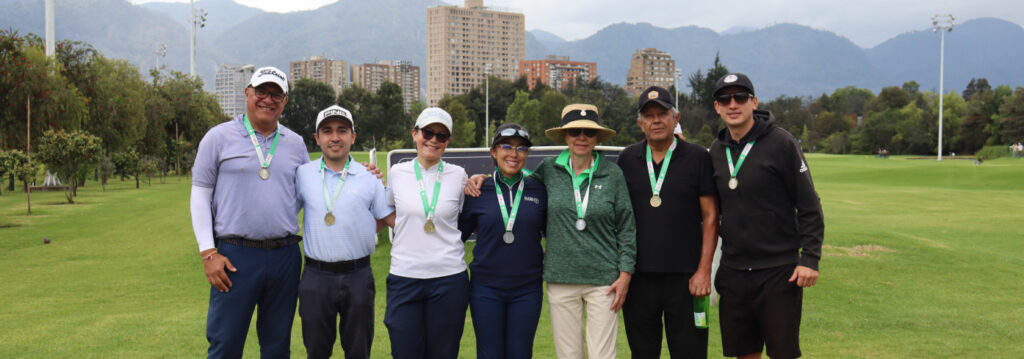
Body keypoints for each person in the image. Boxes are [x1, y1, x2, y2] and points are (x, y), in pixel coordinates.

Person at [190, 66, 309, 358]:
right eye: (261, 92)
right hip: (235, 256)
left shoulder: (295, 143)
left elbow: (315, 189)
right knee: (225, 344)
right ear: (247, 93)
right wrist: (208, 253)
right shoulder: (218, 137)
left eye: (276, 95)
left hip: (285, 256)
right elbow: (200, 195)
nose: (268, 100)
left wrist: (361, 172)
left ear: (285, 101)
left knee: (277, 346)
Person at [707, 73, 825, 359]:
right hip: (734, 271)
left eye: (740, 97)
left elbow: (809, 204)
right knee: (745, 352)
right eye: (725, 99)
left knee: (782, 353)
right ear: (717, 107)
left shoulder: (781, 142)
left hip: (778, 269)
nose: (733, 104)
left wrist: (810, 259)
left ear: (754, 102)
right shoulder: (715, 150)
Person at [619, 86, 719, 358]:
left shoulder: (698, 157)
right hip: (639, 280)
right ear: (640, 123)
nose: (656, 120)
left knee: (691, 353)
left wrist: (704, 270)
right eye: (648, 116)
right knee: (642, 353)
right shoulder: (627, 159)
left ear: (676, 118)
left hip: (687, 280)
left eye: (662, 113)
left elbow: (711, 216)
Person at [537, 104, 636, 359]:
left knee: (602, 355)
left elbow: (627, 226)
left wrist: (625, 273)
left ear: (597, 138)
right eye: (575, 131)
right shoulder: (548, 170)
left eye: (589, 133)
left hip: (604, 281)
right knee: (569, 355)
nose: (582, 137)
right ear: (565, 136)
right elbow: (515, 186)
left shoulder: (612, 174)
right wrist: (482, 177)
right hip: (561, 279)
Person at [295, 105, 393, 359]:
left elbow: (385, 217)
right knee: (316, 352)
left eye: (342, 130)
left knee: (359, 351)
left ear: (353, 136)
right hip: (316, 277)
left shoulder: (370, 177)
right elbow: (285, 216)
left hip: (358, 275)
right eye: (327, 131)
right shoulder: (303, 174)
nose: (335, 137)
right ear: (317, 138)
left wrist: (359, 229)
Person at [381, 107, 470, 358]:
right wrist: (402, 227)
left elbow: (464, 217)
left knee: (444, 353)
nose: (433, 140)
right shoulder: (397, 173)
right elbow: (385, 209)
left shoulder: (459, 175)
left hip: (449, 278)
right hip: (405, 277)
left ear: (447, 142)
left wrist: (481, 179)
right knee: (404, 352)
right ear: (415, 134)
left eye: (441, 136)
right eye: (428, 132)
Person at [458, 123, 547, 359]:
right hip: (485, 289)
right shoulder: (477, 190)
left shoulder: (538, 190)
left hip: (527, 289)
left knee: (520, 354)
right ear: (493, 151)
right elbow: (456, 237)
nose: (513, 154)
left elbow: (554, 233)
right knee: (489, 354)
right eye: (506, 146)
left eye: (521, 149)